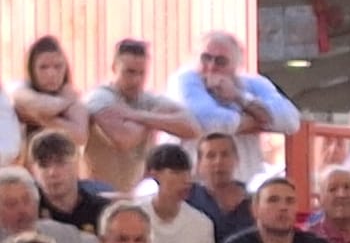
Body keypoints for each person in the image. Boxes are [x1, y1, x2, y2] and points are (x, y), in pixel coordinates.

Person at [169, 32, 302, 182]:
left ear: (237, 66)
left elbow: (291, 121)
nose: (211, 67)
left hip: (244, 188)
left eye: (221, 61)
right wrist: (259, 118)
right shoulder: (184, 80)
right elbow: (211, 123)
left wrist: (239, 97)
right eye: (205, 58)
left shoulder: (254, 83)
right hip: (193, 189)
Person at [81, 39, 199, 193]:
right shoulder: (100, 98)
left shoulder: (148, 100)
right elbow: (123, 139)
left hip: (133, 194)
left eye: (141, 73)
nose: (136, 80)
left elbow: (192, 128)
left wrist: (138, 116)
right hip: (97, 194)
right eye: (129, 72)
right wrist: (155, 121)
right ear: (114, 68)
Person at [138, 144, 217, 243]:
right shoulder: (135, 216)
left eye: (187, 172)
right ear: (154, 174)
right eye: (175, 172)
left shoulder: (202, 223)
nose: (186, 180)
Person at [25, 129, 108, 237]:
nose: (52, 173)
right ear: (32, 170)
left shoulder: (102, 212)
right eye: (44, 165)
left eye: (61, 162)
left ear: (77, 164)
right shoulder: (26, 212)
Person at [11, 37, 89, 151]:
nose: (51, 74)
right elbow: (47, 108)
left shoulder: (70, 94)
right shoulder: (22, 89)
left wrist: (38, 117)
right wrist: (66, 102)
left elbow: (80, 136)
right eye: (43, 67)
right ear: (32, 69)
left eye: (58, 66)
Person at [185, 130, 253, 243]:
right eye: (211, 156)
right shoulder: (188, 199)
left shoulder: (255, 202)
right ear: (199, 164)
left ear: (236, 159)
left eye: (225, 154)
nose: (218, 161)